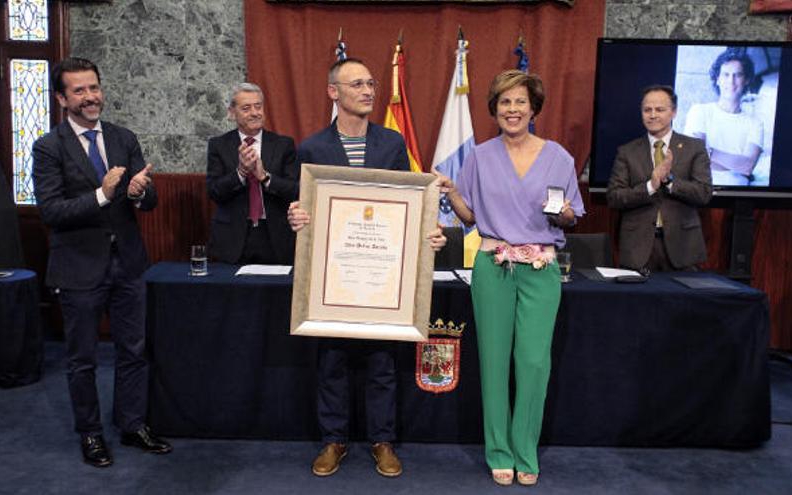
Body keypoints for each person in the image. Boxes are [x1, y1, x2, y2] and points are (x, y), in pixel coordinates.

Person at [286, 57, 446, 478]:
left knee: (381, 362)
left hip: (380, 272)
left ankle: (382, 440)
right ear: (333, 93)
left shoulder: (392, 144)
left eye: (372, 83)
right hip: (334, 273)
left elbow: (406, 206)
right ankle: (334, 439)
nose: (369, 90)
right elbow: (309, 210)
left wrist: (428, 231)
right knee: (332, 360)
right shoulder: (312, 148)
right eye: (357, 84)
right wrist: (298, 219)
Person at [434, 69, 583, 487]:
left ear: (533, 108)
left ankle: (525, 450)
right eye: (504, 102)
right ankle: (498, 450)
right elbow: (470, 218)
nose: (512, 109)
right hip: (491, 266)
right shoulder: (479, 156)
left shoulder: (559, 156)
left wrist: (564, 213)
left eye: (520, 102)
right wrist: (451, 192)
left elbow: (571, 215)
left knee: (534, 363)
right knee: (494, 362)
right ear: (494, 110)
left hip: (541, 269)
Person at [32, 57, 172, 467]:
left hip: (128, 263)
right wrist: (103, 194)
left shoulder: (123, 137)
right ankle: (91, 434)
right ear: (62, 98)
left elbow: (148, 200)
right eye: (79, 90)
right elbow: (52, 211)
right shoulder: (48, 147)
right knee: (82, 359)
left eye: (94, 87)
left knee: (133, 349)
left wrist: (137, 192)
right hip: (78, 268)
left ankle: (131, 425)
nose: (90, 97)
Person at [607, 85, 713, 273]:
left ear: (674, 112)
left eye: (660, 109)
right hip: (638, 249)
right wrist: (651, 185)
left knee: (682, 302)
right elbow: (614, 197)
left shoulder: (694, 148)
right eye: (647, 110)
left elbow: (703, 193)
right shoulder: (627, 151)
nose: (653, 115)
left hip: (683, 247)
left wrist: (670, 181)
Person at [207, 83, 300, 265]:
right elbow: (214, 191)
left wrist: (264, 177)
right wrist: (241, 172)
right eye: (246, 108)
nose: (255, 112)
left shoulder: (283, 145)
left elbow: (294, 190)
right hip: (233, 237)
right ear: (232, 112)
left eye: (258, 106)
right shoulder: (219, 145)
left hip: (275, 236)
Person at [683, 48, 763, 186]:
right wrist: (735, 163)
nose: (731, 81)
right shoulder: (699, 111)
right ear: (718, 79)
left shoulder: (755, 124)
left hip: (737, 195)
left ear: (747, 80)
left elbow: (747, 167)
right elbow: (693, 158)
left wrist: (708, 151)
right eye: (726, 75)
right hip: (700, 189)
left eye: (738, 75)